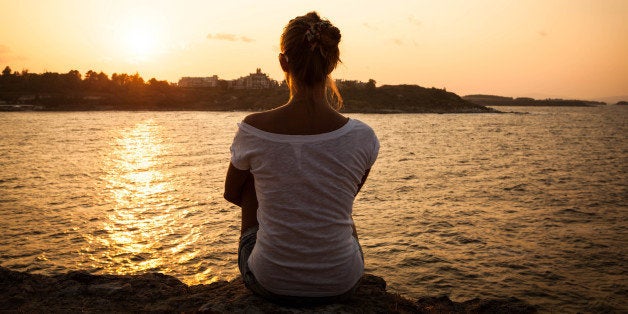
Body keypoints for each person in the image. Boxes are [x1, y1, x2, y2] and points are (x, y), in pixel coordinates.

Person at [224, 11, 379, 306]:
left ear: (283, 62)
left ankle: (277, 261)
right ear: (332, 63)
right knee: (337, 203)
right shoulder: (363, 136)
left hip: (270, 282)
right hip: (342, 282)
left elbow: (232, 193)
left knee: (250, 181)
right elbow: (347, 198)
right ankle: (326, 262)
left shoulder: (254, 128)